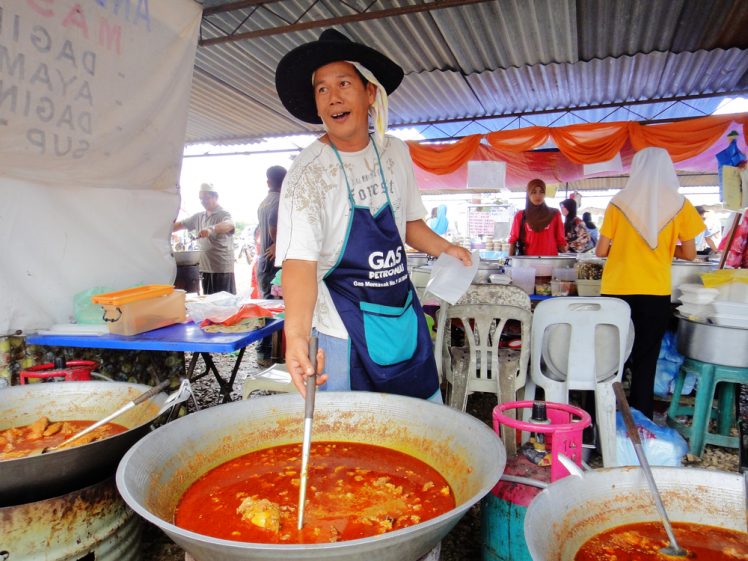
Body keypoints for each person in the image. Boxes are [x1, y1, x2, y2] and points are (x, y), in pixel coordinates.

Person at [274, 28, 472, 399]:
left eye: (344, 83)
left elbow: (408, 224)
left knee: (421, 427)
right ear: (316, 107)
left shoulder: (395, 153)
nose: (333, 97)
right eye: (322, 89)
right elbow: (299, 261)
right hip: (341, 333)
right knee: (355, 439)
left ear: (370, 93)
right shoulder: (308, 174)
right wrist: (296, 335)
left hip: (401, 317)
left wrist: (445, 247)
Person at [596, 147, 704, 418]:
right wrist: (666, 250)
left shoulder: (619, 202)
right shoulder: (680, 204)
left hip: (616, 290)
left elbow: (600, 251)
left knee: (611, 356)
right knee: (646, 357)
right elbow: (690, 253)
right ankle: (639, 418)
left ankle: (603, 417)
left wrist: (624, 248)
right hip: (654, 291)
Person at [173, 183, 236, 295]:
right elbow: (180, 225)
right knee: (209, 302)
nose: (203, 201)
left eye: (206, 198)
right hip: (205, 268)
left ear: (215, 197)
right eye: (201, 199)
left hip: (222, 268)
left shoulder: (223, 214)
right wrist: (164, 230)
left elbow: (230, 224)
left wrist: (212, 229)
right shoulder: (199, 216)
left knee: (225, 303)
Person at [256, 166, 287, 366]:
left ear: (269, 182)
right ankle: (265, 353)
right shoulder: (278, 201)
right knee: (273, 309)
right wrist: (278, 244)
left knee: (267, 307)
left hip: (263, 263)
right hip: (272, 264)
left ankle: (267, 351)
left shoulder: (265, 202)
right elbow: (274, 229)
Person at [507, 179, 567, 256]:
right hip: (527, 263)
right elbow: (513, 241)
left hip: (550, 261)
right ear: (528, 194)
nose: (538, 196)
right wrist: (509, 262)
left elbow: (560, 241)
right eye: (534, 192)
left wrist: (568, 262)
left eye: (541, 192)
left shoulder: (555, 214)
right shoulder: (520, 215)